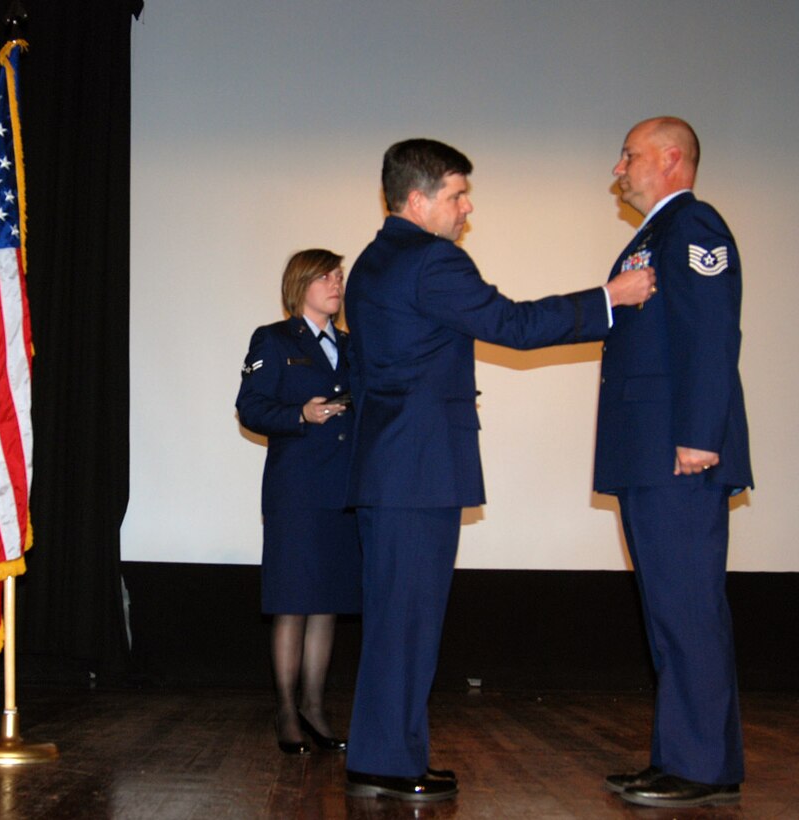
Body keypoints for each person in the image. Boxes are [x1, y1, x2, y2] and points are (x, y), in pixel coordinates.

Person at [342, 138, 656, 802]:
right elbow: (511, 323)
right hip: (416, 467)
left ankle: (385, 754)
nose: (466, 207)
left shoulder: (375, 259)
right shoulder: (430, 259)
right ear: (420, 199)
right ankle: (388, 763)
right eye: (457, 195)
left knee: (396, 617)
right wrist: (609, 299)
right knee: (409, 618)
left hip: (392, 467)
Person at [595, 117, 752, 809]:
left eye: (629, 155)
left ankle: (700, 766)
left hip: (677, 454)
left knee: (686, 609)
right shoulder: (653, 235)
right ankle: (686, 758)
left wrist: (698, 435)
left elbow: (710, 334)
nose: (619, 168)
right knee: (670, 612)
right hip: (649, 453)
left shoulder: (694, 227)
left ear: (669, 158)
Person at [236, 249, 361, 756]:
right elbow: (250, 407)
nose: (336, 283)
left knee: (326, 602)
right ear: (300, 283)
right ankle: (286, 710)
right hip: (297, 491)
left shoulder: (353, 346)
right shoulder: (274, 339)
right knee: (292, 602)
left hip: (343, 489)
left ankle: (315, 706)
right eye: (327, 276)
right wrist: (301, 415)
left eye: (340, 276)